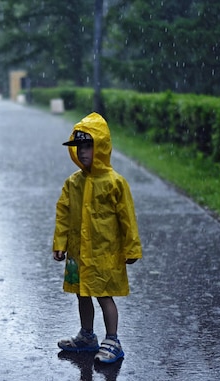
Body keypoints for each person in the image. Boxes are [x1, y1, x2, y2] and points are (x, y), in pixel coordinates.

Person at [53, 112, 142, 364]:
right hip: (78, 252)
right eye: (78, 147)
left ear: (101, 147)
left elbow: (127, 218)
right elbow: (64, 214)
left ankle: (113, 339)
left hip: (106, 252)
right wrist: (60, 243)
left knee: (104, 295)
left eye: (88, 146)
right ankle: (87, 335)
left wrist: (131, 249)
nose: (82, 152)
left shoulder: (115, 183)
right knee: (82, 293)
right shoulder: (73, 183)